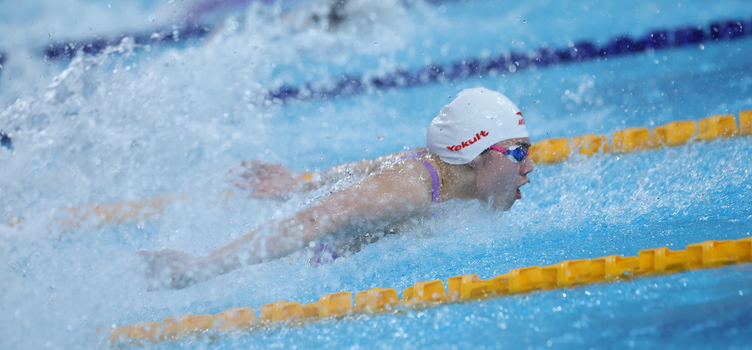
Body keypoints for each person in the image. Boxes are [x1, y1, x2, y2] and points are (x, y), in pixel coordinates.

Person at [139, 87, 533, 290]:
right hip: (295, 277)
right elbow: (312, 221)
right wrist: (203, 267)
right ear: (479, 155)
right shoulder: (409, 189)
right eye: (518, 153)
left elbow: (376, 165)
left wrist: (301, 182)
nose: (529, 166)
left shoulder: (453, 173)